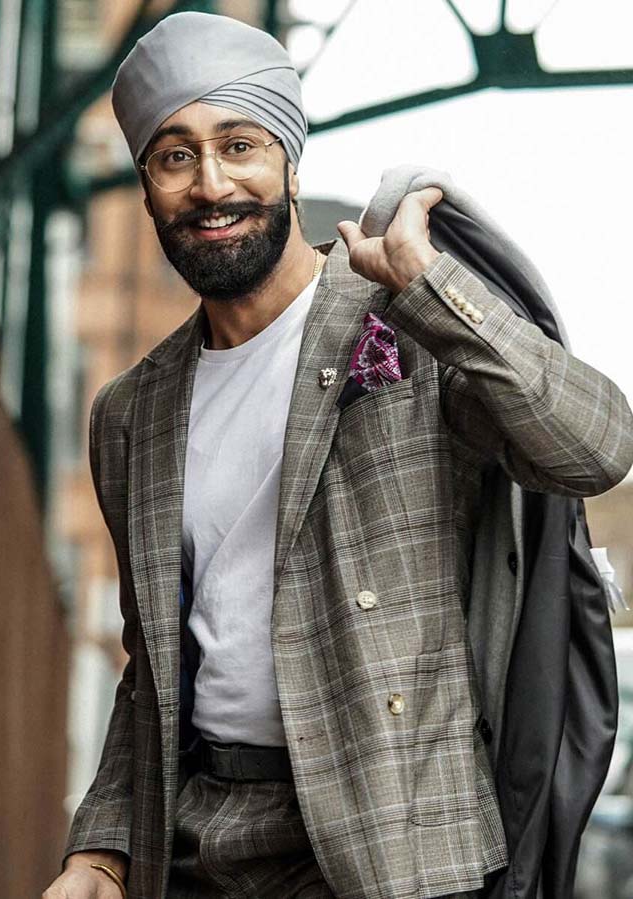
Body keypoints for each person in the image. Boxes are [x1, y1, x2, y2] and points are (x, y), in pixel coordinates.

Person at [42, 12, 633, 899]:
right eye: (174, 156)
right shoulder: (130, 413)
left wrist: (433, 290)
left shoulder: (404, 319)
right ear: (146, 185)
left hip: (400, 849)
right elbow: (153, 667)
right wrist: (101, 849)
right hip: (205, 849)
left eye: (238, 144)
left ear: (288, 160)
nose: (211, 183)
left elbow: (598, 446)